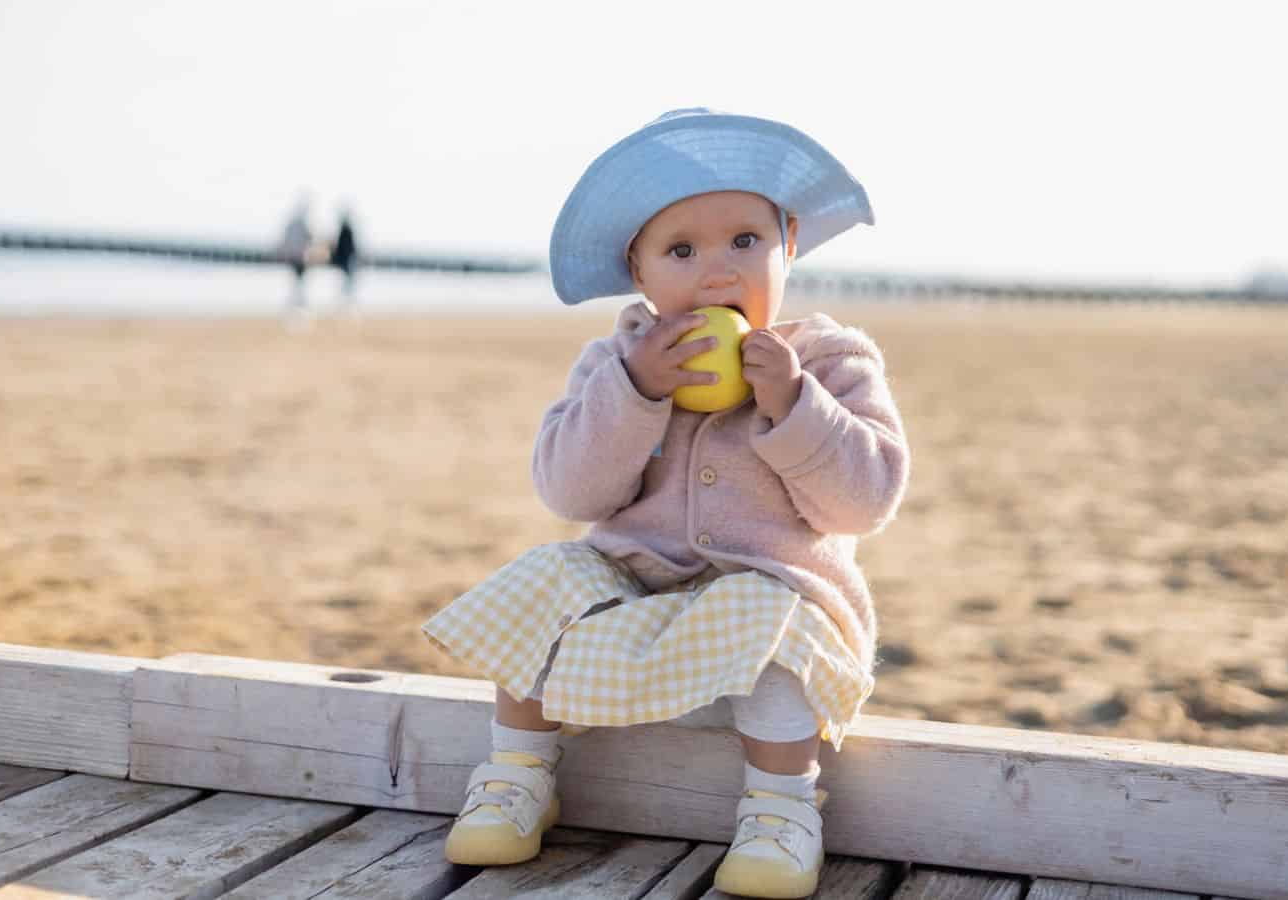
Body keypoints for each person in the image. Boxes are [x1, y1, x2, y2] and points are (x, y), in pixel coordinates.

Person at [421, 108, 908, 899]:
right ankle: (517, 774)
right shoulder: (616, 362)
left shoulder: (827, 359)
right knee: (547, 578)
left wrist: (793, 403)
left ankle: (782, 810)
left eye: (745, 241)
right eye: (682, 250)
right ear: (640, 274)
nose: (718, 272)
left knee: (770, 611)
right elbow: (567, 490)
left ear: (787, 243)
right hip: (635, 600)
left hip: (767, 610)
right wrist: (637, 391)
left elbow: (867, 501)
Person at [276, 198, 314, 315]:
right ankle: (297, 305)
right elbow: (309, 239)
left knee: (298, 283)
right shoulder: (300, 224)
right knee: (298, 283)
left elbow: (286, 240)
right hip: (299, 258)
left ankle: (297, 305)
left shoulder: (296, 224)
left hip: (296, 257)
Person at [331, 207, 360, 304]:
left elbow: (348, 247)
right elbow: (347, 247)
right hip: (346, 259)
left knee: (347, 281)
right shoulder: (346, 230)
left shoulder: (346, 230)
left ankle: (346, 299)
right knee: (346, 281)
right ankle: (345, 299)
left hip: (346, 259)